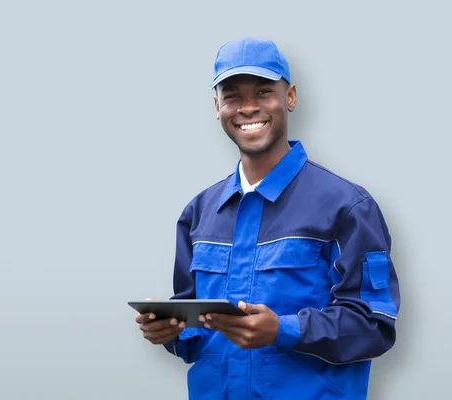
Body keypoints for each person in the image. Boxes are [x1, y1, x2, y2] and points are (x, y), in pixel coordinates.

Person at [134, 37, 401, 399]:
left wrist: (283, 330)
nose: (247, 107)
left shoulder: (347, 206)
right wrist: (172, 333)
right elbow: (198, 338)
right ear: (217, 107)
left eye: (263, 92)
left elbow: (374, 325)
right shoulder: (199, 213)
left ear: (289, 97)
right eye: (232, 96)